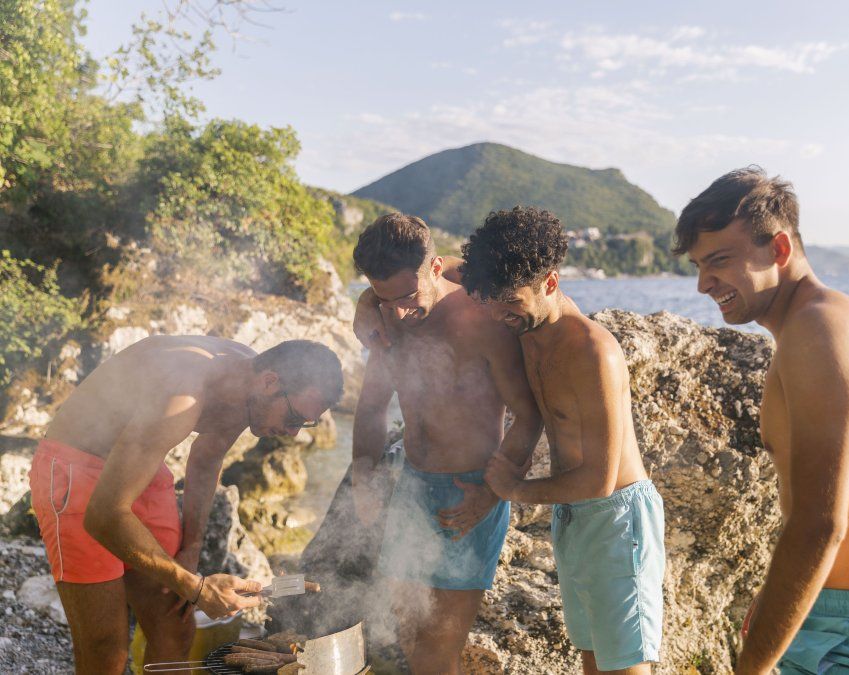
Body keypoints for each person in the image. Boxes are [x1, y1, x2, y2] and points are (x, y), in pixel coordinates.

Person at [675, 167, 849, 674]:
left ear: (778, 249)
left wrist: (750, 668)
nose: (703, 284)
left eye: (719, 261)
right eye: (697, 265)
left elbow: (822, 523)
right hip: (828, 616)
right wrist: (780, 602)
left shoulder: (822, 330)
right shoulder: (810, 326)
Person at [30, 337, 344, 673]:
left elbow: (208, 459)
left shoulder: (249, 386)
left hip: (143, 469)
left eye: (305, 424)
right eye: (295, 417)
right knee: (106, 650)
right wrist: (195, 586)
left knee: (176, 628)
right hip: (77, 471)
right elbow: (104, 515)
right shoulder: (183, 391)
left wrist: (191, 549)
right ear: (270, 382)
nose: (294, 434)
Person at [458, 206, 666, 675]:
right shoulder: (523, 319)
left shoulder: (593, 351)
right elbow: (436, 265)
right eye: (488, 300)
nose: (496, 314)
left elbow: (598, 479)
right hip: (572, 516)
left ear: (550, 282)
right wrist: (373, 300)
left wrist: (511, 491)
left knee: (627, 667)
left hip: (617, 519)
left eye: (508, 301)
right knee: (592, 660)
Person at [349, 213, 543, 674]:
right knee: (411, 637)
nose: (396, 312)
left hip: (470, 495)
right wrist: (363, 478)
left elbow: (529, 415)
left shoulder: (483, 321)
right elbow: (372, 408)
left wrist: (492, 494)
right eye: (383, 298)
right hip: (412, 489)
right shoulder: (386, 318)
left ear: (436, 268)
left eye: (407, 297)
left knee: (436, 652)